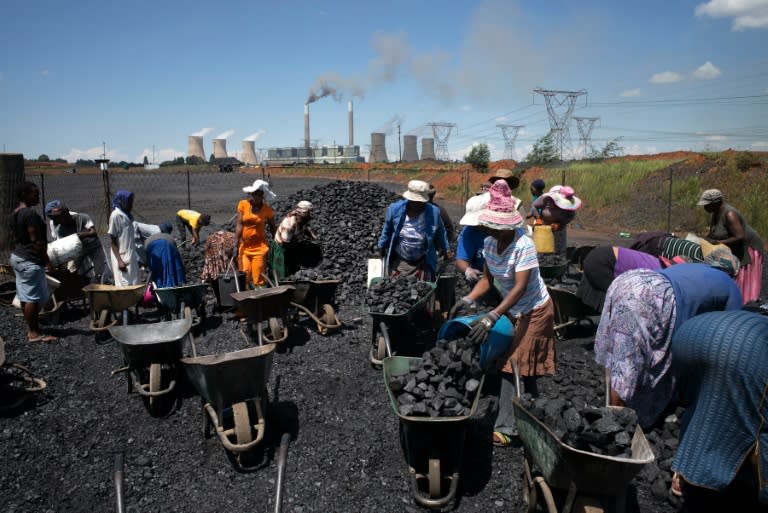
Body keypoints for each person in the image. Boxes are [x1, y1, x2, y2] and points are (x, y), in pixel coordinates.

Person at [449, 179, 555, 447]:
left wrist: (492, 315)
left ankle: (508, 428)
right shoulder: (488, 242)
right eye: (490, 225)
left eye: (497, 226)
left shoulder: (524, 245)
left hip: (535, 309)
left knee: (513, 363)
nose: (492, 229)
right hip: (514, 309)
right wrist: (467, 298)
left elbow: (519, 287)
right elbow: (487, 279)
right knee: (522, 364)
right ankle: (530, 410)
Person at [594, 263, 742, 429]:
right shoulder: (732, 287)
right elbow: (731, 337)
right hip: (652, 296)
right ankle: (615, 426)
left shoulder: (699, 268)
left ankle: (612, 409)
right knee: (634, 364)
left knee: (619, 352)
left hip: (628, 280)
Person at [669, 310, 768, 508]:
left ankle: (684, 474)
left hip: (690, 335)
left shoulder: (755, 319)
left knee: (701, 403)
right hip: (740, 353)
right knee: (756, 422)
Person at [10, 181, 57, 343]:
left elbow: (17, 237)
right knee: (33, 297)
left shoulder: (16, 213)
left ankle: (32, 328)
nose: (38, 197)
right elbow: (36, 241)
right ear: (24, 195)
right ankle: (34, 333)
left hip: (19, 257)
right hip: (30, 259)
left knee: (25, 295)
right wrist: (47, 261)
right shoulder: (29, 214)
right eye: (34, 194)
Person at [698, 188, 764, 303]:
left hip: (747, 248)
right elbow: (714, 233)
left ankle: (746, 303)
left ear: (716, 203)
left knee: (743, 277)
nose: (705, 208)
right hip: (734, 246)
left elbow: (740, 236)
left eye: (707, 205)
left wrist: (719, 243)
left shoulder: (730, 214)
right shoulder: (716, 213)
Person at [378, 180, 449, 281]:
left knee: (422, 288)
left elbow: (441, 233)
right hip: (401, 259)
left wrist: (445, 251)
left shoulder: (433, 212)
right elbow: (387, 230)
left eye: (420, 202)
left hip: (423, 259)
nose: (416, 204)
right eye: (413, 201)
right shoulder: (395, 209)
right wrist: (382, 247)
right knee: (399, 288)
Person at [576, 245, 664, 311]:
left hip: (598, 254)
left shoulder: (655, 262)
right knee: (615, 301)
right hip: (604, 261)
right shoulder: (657, 273)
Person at [45, 200, 108, 283]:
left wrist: (79, 235)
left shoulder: (82, 217)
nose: (56, 220)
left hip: (94, 247)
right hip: (78, 251)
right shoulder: (59, 229)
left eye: (57, 217)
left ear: (66, 213)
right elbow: (63, 246)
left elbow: (93, 232)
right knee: (74, 272)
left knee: (100, 272)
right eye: (54, 218)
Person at [235, 180, 277, 288]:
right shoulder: (243, 204)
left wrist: (276, 242)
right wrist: (235, 242)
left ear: (262, 196)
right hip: (244, 247)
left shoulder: (267, 210)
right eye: (254, 194)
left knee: (258, 277)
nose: (255, 197)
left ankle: (259, 300)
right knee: (244, 275)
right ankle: (246, 300)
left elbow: (272, 226)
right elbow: (239, 224)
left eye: (258, 194)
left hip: (259, 248)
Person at [531, 185, 582, 256]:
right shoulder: (546, 199)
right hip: (543, 227)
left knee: (557, 252)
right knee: (541, 249)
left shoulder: (570, 203)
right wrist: (538, 219)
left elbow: (570, 216)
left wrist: (560, 224)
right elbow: (534, 207)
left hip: (559, 229)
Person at [274, 200, 317, 278]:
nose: (310, 215)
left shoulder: (303, 219)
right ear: (301, 213)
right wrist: (299, 251)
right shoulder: (289, 225)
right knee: (283, 273)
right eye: (308, 213)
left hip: (292, 244)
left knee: (295, 272)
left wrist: (310, 234)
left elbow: (304, 227)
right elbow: (285, 243)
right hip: (281, 248)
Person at [455, 194, 489, 285]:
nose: (476, 226)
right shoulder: (469, 231)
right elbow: (461, 259)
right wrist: (468, 270)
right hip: (481, 278)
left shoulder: (503, 232)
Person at [108, 190, 140, 286]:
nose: (131, 205)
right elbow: (113, 241)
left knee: (134, 282)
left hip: (130, 254)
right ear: (121, 201)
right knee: (124, 284)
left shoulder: (127, 215)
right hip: (121, 256)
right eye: (129, 202)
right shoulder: (116, 216)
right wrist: (119, 261)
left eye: (131, 202)